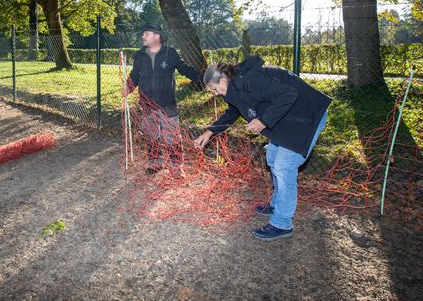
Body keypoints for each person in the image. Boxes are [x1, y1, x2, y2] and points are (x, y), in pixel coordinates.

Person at [194, 55, 331, 241]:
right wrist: (210, 132)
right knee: (273, 159)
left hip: (307, 116)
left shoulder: (251, 80)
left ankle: (282, 223)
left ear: (223, 80)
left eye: (214, 88)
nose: (215, 93)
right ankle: (277, 204)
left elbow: (288, 94)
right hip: (287, 118)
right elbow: (234, 110)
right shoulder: (235, 88)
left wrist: (263, 121)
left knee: (284, 167)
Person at [125, 23, 202, 174]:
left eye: (146, 34)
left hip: (167, 104)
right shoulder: (139, 56)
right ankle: (155, 163)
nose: (143, 36)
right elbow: (134, 75)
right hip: (146, 104)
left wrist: (204, 78)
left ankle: (176, 168)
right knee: (151, 136)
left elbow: (185, 69)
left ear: (157, 36)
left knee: (172, 137)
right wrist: (127, 88)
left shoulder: (170, 53)